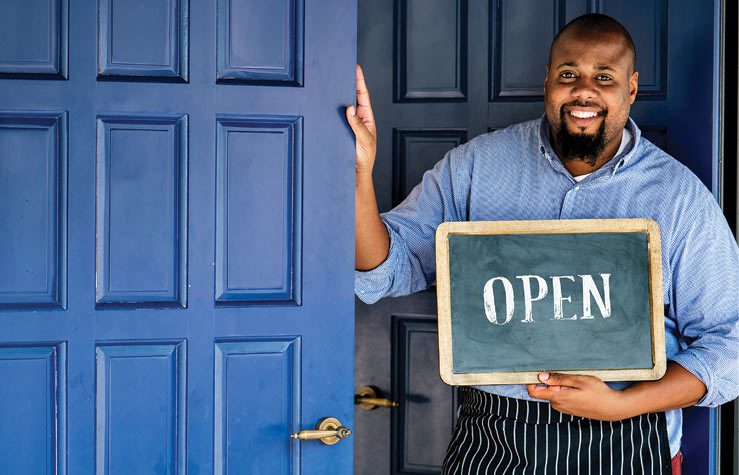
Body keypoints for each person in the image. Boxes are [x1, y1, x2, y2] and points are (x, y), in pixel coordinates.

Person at [346, 13, 739, 474]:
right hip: (493, 439)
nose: (584, 90)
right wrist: (358, 177)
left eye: (604, 77)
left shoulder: (677, 197)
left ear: (631, 89)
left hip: (627, 437)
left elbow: (728, 348)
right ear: (547, 81)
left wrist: (623, 404)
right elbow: (386, 266)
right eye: (569, 74)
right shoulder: (475, 167)